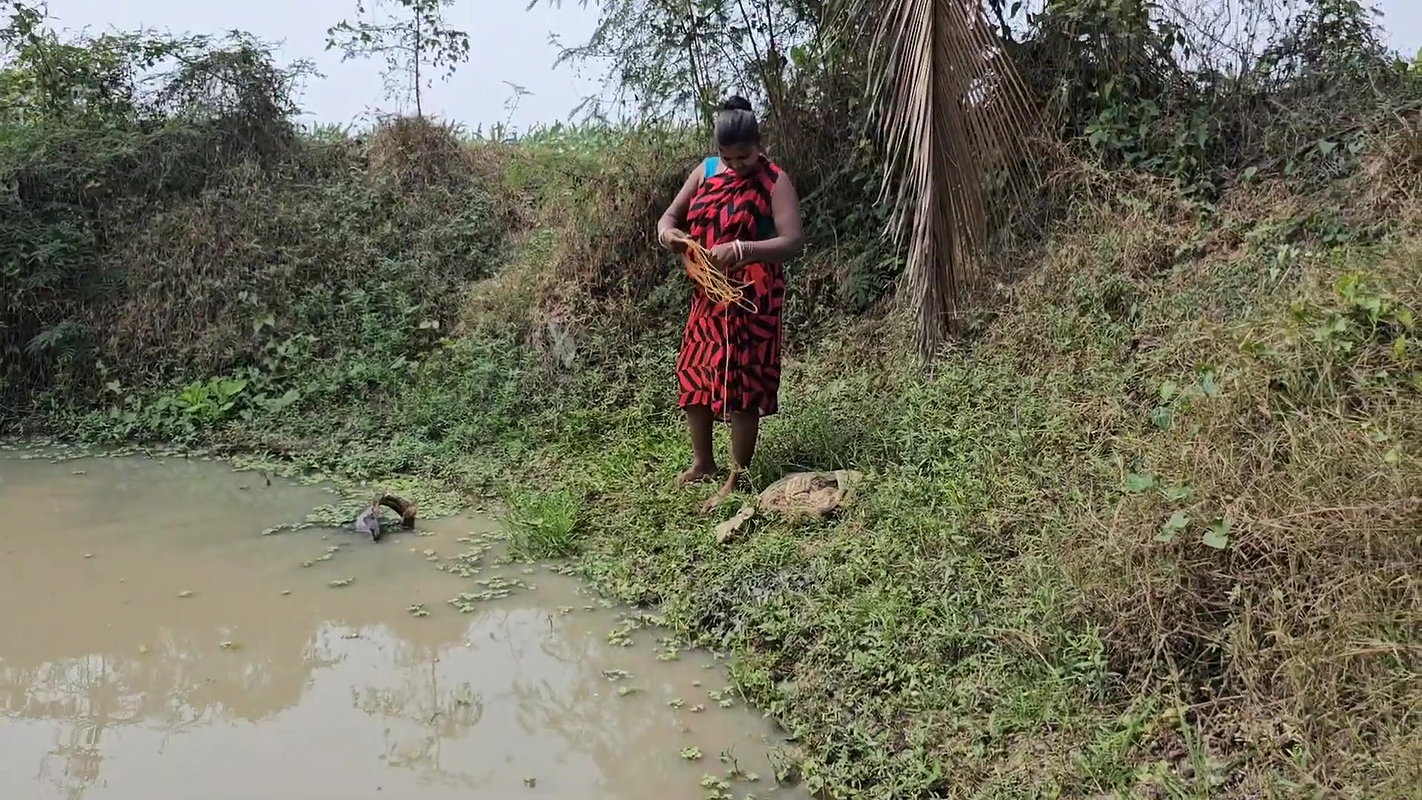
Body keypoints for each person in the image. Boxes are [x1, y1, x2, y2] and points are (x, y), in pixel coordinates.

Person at [656, 96, 804, 511]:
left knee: (742, 387)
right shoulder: (704, 172)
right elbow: (668, 219)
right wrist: (671, 235)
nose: (738, 166)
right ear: (718, 151)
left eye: (746, 157)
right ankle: (703, 462)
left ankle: (738, 476)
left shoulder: (775, 180)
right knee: (695, 371)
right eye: (729, 158)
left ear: (760, 145)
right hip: (709, 294)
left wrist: (742, 248)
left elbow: (792, 242)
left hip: (753, 299)